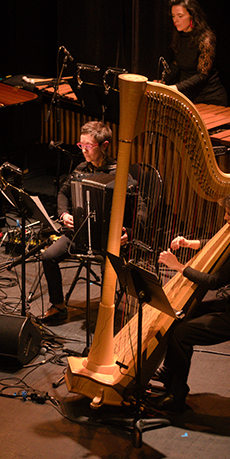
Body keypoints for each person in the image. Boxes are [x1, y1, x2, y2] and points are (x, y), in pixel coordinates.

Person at [152, 187, 230, 414]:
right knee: (184, 312)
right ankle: (171, 373)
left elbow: (214, 282)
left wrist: (178, 266)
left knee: (182, 334)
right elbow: (220, 245)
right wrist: (191, 244)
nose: (225, 218)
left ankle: (177, 396)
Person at [39, 121, 146, 324]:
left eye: (89, 146)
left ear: (104, 145)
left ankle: (108, 315)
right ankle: (59, 306)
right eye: (81, 145)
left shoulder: (119, 174)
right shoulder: (81, 169)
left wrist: (129, 233)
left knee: (109, 269)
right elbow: (63, 192)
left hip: (108, 239)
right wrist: (63, 214)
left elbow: (141, 209)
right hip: (80, 232)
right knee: (48, 257)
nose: (84, 151)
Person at [162, 0, 228, 106]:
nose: (175, 20)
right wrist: (163, 81)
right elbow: (177, 64)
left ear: (192, 15)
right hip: (190, 97)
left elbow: (202, 75)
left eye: (180, 16)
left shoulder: (206, 39)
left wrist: (176, 87)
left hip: (210, 98)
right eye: (173, 16)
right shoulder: (179, 36)